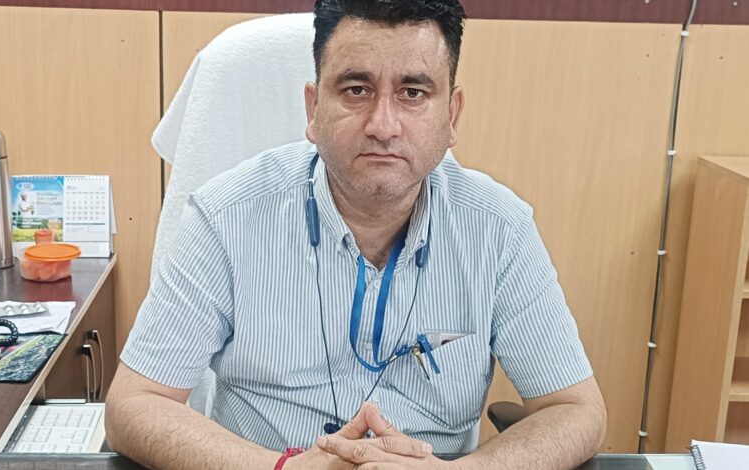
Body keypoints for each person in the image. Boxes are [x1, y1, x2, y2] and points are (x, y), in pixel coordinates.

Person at [105, 0, 607, 468]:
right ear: (313, 109)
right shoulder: (225, 216)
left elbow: (576, 409)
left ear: (452, 116)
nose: (383, 126)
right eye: (356, 90)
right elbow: (134, 404)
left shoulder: (500, 229)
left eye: (413, 93)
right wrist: (282, 468)